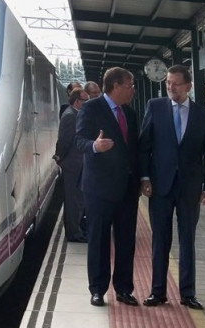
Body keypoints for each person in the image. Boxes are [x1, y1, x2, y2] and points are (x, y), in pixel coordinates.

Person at [138, 64, 205, 310]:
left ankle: (188, 293)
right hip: (160, 185)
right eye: (168, 83)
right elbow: (144, 146)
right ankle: (157, 292)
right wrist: (145, 177)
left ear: (188, 86)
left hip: (190, 187)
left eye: (176, 83)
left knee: (188, 240)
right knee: (160, 239)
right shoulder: (155, 106)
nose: (170, 87)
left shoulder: (202, 115)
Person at [75, 66, 140, 307]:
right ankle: (97, 289)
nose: (133, 90)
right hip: (99, 189)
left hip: (126, 189)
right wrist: (94, 146)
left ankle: (124, 288)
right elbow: (79, 139)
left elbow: (135, 150)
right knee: (99, 239)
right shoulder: (91, 108)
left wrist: (142, 178)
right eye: (130, 85)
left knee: (126, 240)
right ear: (115, 86)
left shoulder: (130, 114)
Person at [54, 88, 89, 242]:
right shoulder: (70, 116)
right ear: (77, 101)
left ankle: (77, 230)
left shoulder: (75, 114)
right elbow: (64, 141)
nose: (87, 103)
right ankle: (74, 234)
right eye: (85, 101)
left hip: (77, 164)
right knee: (73, 201)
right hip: (73, 165)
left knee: (78, 200)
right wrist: (60, 157)